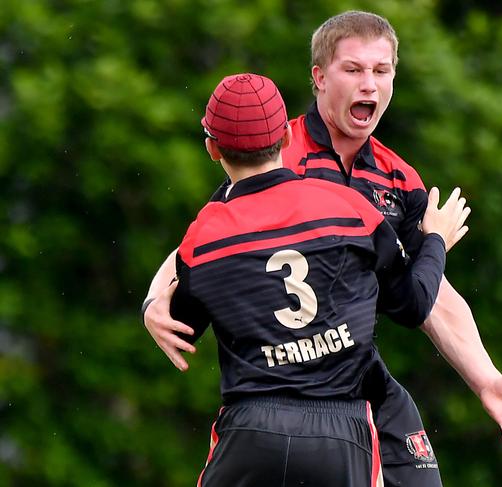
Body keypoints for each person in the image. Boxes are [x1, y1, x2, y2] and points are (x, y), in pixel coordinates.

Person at [143, 11, 502, 487]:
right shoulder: (275, 152)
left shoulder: (399, 181)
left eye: (381, 72)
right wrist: (155, 301)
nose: (370, 85)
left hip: (357, 377)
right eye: (354, 70)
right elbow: (199, 245)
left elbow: (431, 294)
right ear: (319, 77)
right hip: (288, 387)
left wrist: (486, 378)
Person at [169, 72, 470, 487]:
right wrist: (435, 239)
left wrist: (152, 307)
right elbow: (413, 303)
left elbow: (181, 324)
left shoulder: (205, 234)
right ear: (287, 140)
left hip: (250, 430)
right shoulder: (348, 206)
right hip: (342, 433)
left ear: (212, 148)